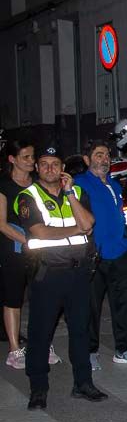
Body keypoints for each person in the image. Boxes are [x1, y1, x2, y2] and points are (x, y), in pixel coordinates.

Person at [17, 145, 107, 409]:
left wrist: (70, 194)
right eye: (43, 164)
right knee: (40, 333)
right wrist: (75, 228)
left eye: (55, 164)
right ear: (36, 168)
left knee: (81, 329)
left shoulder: (77, 191)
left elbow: (89, 224)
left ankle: (83, 383)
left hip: (78, 272)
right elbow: (40, 232)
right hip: (47, 273)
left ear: (62, 169)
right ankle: (38, 388)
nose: (49, 169)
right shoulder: (27, 195)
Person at [76, 140, 127, 370]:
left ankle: (124, 349)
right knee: (92, 306)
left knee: (120, 304)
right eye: (98, 155)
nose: (104, 159)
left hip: (119, 253)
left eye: (106, 155)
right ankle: (90, 351)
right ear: (87, 160)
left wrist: (126, 242)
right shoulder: (79, 184)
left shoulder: (114, 184)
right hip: (95, 255)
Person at [1, 139, 36, 369]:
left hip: (40, 247)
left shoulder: (37, 183)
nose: (31, 161)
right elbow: (2, 224)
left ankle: (39, 343)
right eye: (26, 157)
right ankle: (14, 348)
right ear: (12, 159)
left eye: (33, 156)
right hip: (13, 248)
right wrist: (28, 241)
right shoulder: (4, 185)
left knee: (42, 295)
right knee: (13, 297)